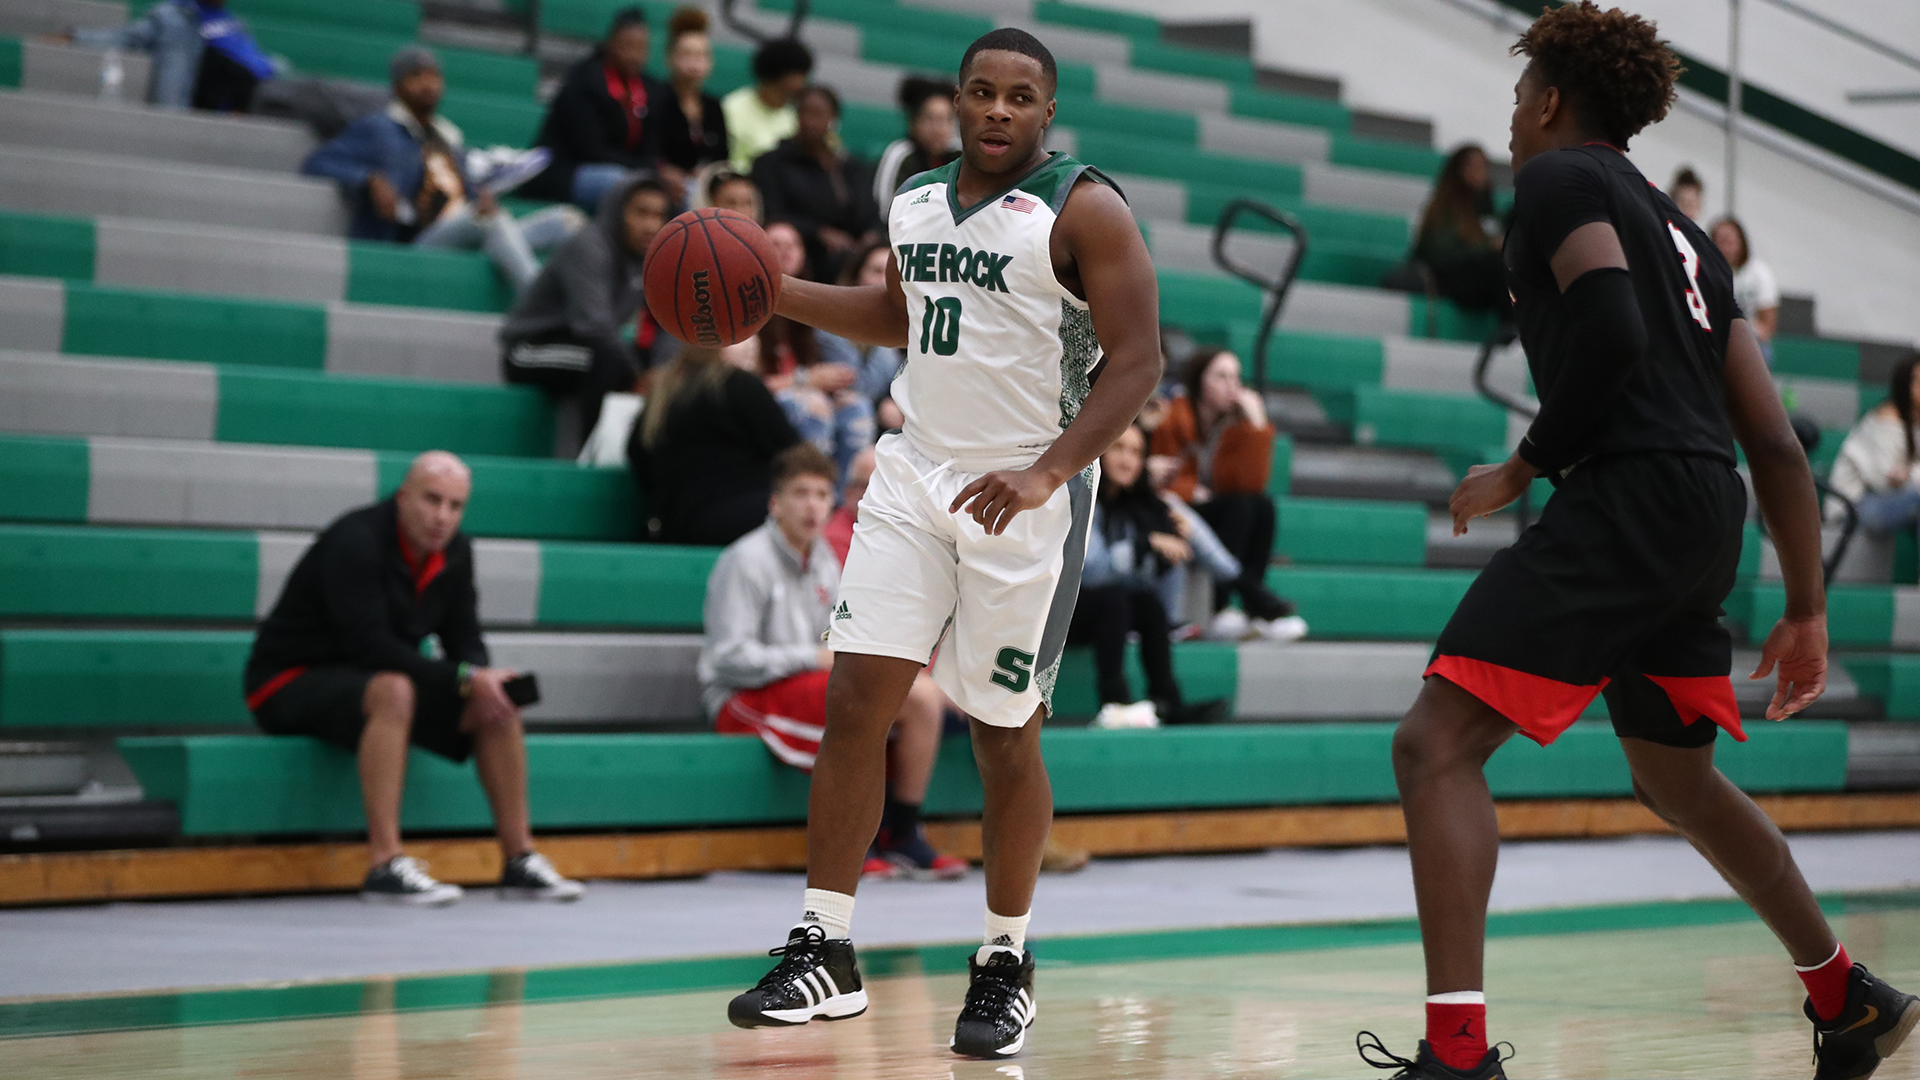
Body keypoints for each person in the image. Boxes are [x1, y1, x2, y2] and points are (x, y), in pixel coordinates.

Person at [1359, 6, 1916, 1078]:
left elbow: (1608, 324)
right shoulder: (1698, 243)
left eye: (1523, 95)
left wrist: (1525, 462)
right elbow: (1777, 445)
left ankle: (1460, 1056)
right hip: (1710, 510)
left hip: (1632, 496)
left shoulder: (1560, 180)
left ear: (1554, 99)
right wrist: (1807, 606)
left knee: (1433, 747)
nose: (1514, 116)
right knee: (1677, 782)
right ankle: (1846, 997)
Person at [723, 28, 1164, 1060]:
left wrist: (1051, 470)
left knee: (1002, 730)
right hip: (916, 472)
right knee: (856, 703)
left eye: (1020, 97)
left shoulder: (1084, 207)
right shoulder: (916, 199)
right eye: (981, 93)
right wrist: (771, 292)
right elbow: (900, 315)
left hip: (1029, 489)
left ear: (1047, 111)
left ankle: (1005, 959)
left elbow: (1140, 362)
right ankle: (823, 948)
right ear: (956, 102)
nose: (998, 110)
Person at [244, 452, 584, 906]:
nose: (442, 517)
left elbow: (465, 637)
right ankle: (385, 865)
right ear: (403, 497)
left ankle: (519, 859)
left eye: (455, 506)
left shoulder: (456, 551)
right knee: (397, 689)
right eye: (432, 500)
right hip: (287, 681)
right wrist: (465, 676)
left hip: (369, 681)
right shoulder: (356, 540)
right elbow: (371, 646)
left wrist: (482, 678)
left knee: (496, 701)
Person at [701, 444, 966, 880]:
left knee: (911, 693)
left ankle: (902, 832)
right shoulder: (745, 560)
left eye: (821, 495)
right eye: (800, 494)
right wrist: (814, 657)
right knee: (863, 704)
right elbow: (728, 659)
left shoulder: (825, 560)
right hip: (743, 697)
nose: (812, 506)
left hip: (807, 683)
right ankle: (853, 841)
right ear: (776, 503)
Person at [301, 48, 582, 292]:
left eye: (434, 76)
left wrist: (480, 200)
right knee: (485, 221)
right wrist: (369, 179)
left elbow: (464, 195)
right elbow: (317, 162)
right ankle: (539, 302)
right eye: (417, 76)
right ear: (398, 86)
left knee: (568, 221)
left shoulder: (448, 137)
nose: (428, 84)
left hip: (465, 231)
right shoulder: (379, 128)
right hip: (418, 243)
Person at [1072, 424, 1230, 729]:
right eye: (1118, 448)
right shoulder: (1081, 495)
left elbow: (1135, 581)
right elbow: (1089, 571)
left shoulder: (1137, 505)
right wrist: (1146, 544)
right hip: (1058, 611)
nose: (1127, 459)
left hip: (1101, 611)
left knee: (1148, 606)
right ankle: (1114, 703)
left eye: (1136, 452)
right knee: (1114, 601)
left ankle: (1168, 701)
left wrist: (1163, 554)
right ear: (1100, 451)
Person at [500, 177, 670, 459]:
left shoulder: (650, 257)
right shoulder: (589, 246)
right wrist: (638, 377)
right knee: (609, 362)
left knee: (663, 368)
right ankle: (591, 456)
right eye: (641, 212)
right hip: (529, 349)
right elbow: (594, 327)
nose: (651, 225)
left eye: (659, 215)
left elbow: (666, 321)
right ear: (618, 212)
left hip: (587, 347)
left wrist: (659, 372)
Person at [1151, 348, 1307, 643]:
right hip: (1174, 509)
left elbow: (1251, 483)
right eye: (1221, 377)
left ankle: (1254, 611)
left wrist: (1257, 424)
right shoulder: (1175, 414)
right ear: (1199, 381)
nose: (1232, 386)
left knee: (1261, 506)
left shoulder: (1233, 424)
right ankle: (1220, 608)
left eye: (1236, 377)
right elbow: (1154, 475)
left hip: (1208, 507)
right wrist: (1189, 489)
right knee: (1239, 508)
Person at [628, 342, 802, 546]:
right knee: (809, 507)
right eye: (742, 339)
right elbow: (794, 454)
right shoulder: (741, 385)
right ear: (721, 345)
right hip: (744, 518)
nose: (752, 346)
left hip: (679, 524)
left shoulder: (663, 391)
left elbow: (638, 456)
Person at [757, 221, 876, 489]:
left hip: (806, 398)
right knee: (812, 406)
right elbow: (747, 388)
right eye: (775, 244)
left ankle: (843, 502)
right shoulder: (744, 313)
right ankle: (809, 493)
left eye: (793, 245)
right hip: (762, 410)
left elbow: (850, 373)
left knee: (856, 406)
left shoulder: (811, 309)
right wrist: (805, 379)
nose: (786, 251)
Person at [522, 7, 676, 211]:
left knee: (682, 187)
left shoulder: (651, 89)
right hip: (565, 171)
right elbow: (591, 150)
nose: (634, 56)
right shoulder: (584, 81)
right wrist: (650, 168)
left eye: (641, 48)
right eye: (627, 46)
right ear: (611, 44)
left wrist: (661, 169)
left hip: (626, 170)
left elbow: (652, 146)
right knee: (619, 182)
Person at [753, 85, 883, 283]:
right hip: (807, 249)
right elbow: (773, 212)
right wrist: (818, 233)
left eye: (819, 113)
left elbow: (869, 212)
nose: (811, 121)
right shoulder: (772, 163)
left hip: (851, 252)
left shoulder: (850, 166)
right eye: (805, 112)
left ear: (833, 118)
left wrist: (870, 236)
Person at [65, 0, 273, 111]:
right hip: (200, 107)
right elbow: (125, 37)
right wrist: (75, 37)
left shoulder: (236, 23)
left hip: (256, 98)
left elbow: (258, 64)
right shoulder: (172, 17)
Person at [1828, 353, 1920, 537]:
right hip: (1851, 509)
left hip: (1892, 503)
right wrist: (1911, 475)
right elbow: (1884, 482)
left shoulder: (1916, 422)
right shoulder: (1885, 420)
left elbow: (1906, 478)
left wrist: (1910, 474)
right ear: (1905, 386)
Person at [1414, 145, 1509, 314]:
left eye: (1484, 167)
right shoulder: (1444, 208)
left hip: (1477, 280)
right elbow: (1441, 252)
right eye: (1474, 167)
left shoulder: (1484, 205)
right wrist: (1488, 247)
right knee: (1499, 265)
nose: (1481, 173)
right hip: (1448, 279)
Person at [820, 239, 909, 407]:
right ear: (856, 277)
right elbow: (859, 387)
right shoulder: (830, 325)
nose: (886, 281)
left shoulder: (913, 327)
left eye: (893, 274)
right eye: (877, 271)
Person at [723, 37, 813, 172]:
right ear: (783, 76)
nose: (803, 82)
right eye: (800, 75)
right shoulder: (731, 108)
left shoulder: (796, 117)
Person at [658, 6, 730, 175]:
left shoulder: (714, 106)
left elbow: (722, 158)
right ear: (670, 58)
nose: (694, 63)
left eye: (701, 55)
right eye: (687, 54)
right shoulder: (656, 99)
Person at [872, 76, 961, 210]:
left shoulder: (961, 155)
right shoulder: (900, 155)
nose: (938, 129)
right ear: (914, 122)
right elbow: (885, 208)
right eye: (930, 119)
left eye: (945, 120)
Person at [1712, 216, 1781, 355]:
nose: (1724, 248)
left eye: (1729, 242)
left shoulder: (1759, 274)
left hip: (1750, 340)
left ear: (1741, 244)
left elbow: (1767, 326)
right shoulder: (1704, 271)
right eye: (1720, 242)